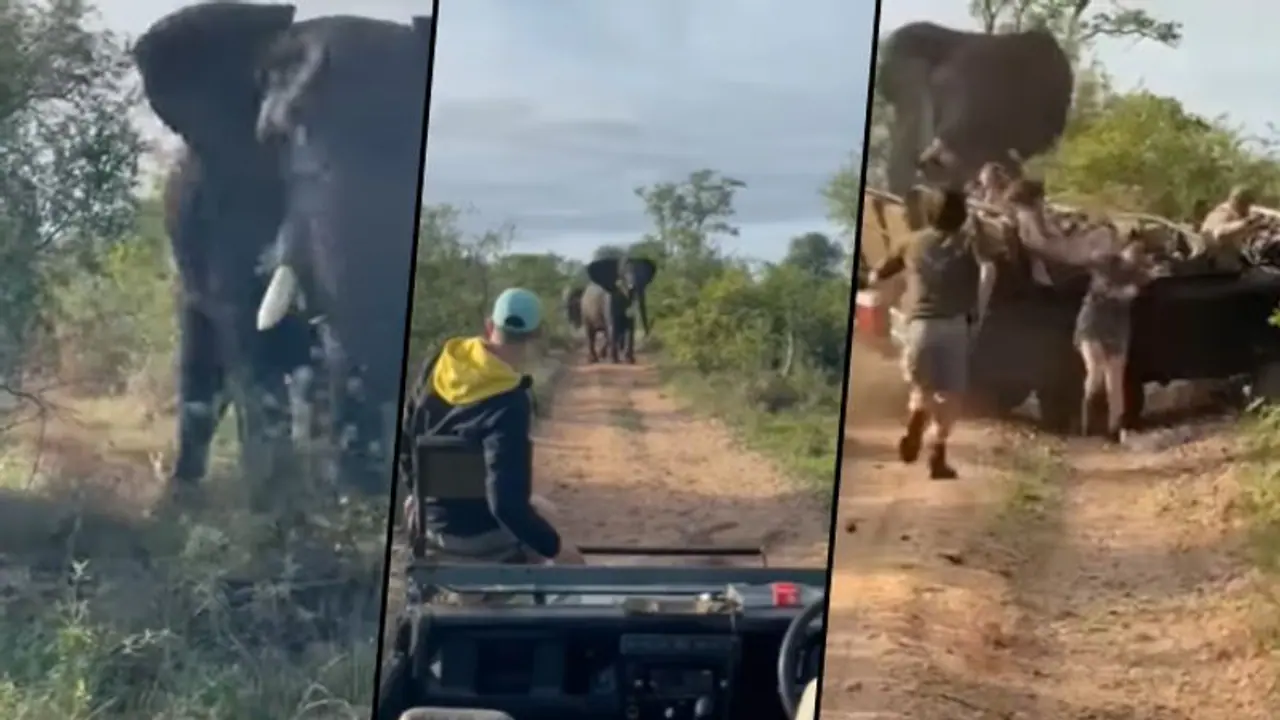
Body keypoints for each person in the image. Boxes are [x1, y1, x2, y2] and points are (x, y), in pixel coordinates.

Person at [399, 287, 586, 566]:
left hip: (431, 525)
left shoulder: (440, 361)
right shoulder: (510, 402)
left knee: (544, 509)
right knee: (553, 534)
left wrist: (414, 491)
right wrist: (557, 550)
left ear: (489, 326)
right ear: (536, 336)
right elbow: (506, 506)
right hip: (479, 535)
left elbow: (405, 438)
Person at [868, 185, 1002, 480]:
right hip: (954, 325)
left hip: (917, 326)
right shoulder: (970, 242)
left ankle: (917, 418)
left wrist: (897, 298)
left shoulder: (909, 242)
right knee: (951, 395)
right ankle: (937, 454)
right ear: (962, 213)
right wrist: (978, 309)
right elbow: (989, 271)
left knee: (922, 389)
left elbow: (875, 275)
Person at [1199, 185, 1263, 272]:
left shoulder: (1234, 214)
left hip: (1230, 265)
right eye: (1247, 204)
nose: (1248, 208)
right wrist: (1247, 222)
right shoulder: (1222, 213)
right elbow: (1220, 234)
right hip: (1220, 268)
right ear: (1239, 202)